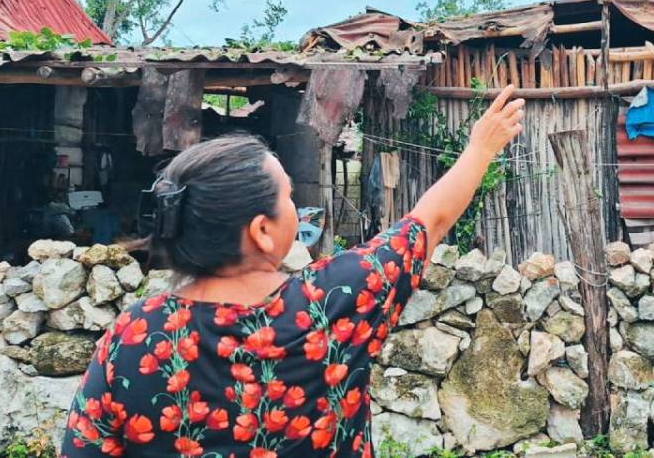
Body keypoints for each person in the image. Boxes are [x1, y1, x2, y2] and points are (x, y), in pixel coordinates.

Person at [60, 85, 526, 457]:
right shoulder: (335, 301)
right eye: (286, 196)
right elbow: (431, 220)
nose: (295, 207)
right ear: (262, 230)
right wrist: (480, 148)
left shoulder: (134, 334)